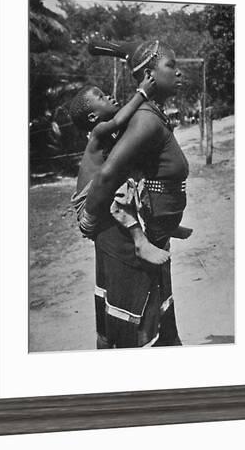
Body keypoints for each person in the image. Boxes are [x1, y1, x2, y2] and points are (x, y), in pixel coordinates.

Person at [82, 38, 190, 349]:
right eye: (172, 65)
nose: (179, 73)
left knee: (160, 327)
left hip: (157, 230)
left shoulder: (152, 115)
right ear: (151, 75)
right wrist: (88, 218)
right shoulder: (145, 120)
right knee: (140, 332)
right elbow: (106, 175)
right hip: (139, 241)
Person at [69, 73, 171, 266]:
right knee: (123, 186)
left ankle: (165, 222)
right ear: (93, 117)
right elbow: (119, 120)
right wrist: (142, 93)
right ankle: (140, 242)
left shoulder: (109, 135)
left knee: (134, 173)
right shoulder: (98, 134)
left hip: (98, 196)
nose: (108, 96)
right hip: (88, 208)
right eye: (101, 97)